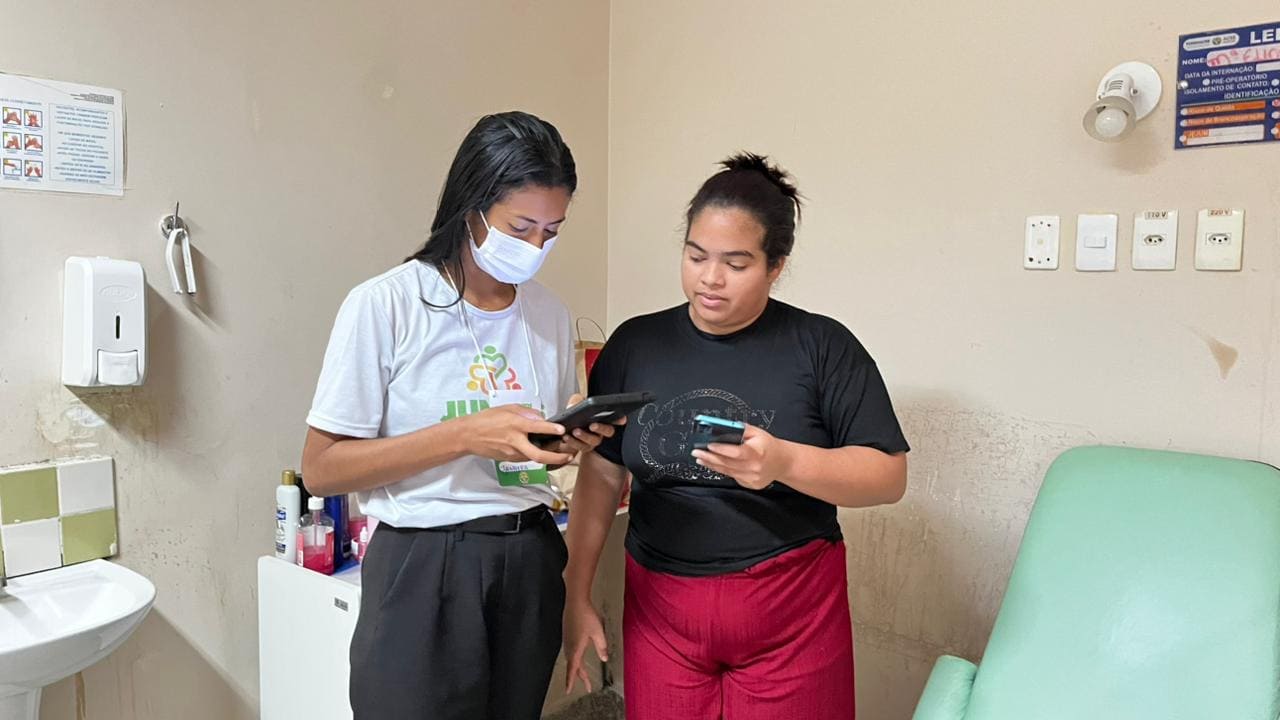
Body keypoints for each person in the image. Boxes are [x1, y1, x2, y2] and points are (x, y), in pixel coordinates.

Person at [563, 153, 910, 720]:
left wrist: (783, 463)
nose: (710, 278)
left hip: (791, 615)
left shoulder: (822, 346)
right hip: (660, 614)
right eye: (695, 255)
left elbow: (888, 476)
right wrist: (576, 594)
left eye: (736, 263)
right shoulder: (635, 344)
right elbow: (601, 474)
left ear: (776, 266)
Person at [302, 111, 616, 720]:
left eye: (551, 232)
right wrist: (466, 434)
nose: (535, 248)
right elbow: (321, 468)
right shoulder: (387, 305)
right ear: (471, 209)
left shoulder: (548, 314)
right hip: (425, 564)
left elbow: (528, 453)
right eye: (519, 227)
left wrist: (559, 443)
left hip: (530, 554)